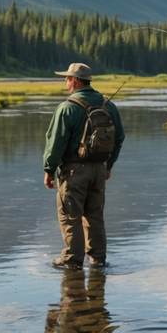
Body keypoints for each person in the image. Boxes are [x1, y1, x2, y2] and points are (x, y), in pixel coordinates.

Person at [43, 63, 125, 269]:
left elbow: (55, 143)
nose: (66, 81)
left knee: (71, 216)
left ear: (77, 80)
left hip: (74, 171)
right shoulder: (109, 105)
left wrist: (49, 170)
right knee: (95, 216)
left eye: (68, 78)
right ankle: (98, 260)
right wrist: (108, 165)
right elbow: (119, 138)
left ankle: (72, 260)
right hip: (99, 170)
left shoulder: (67, 108)